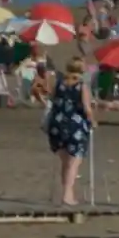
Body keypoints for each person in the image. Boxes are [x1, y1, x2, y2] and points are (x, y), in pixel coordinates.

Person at [46, 59, 95, 206]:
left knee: (66, 161)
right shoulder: (82, 86)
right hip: (75, 125)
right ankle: (67, 195)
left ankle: (68, 193)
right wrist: (93, 120)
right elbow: (87, 108)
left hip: (57, 123)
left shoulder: (59, 83)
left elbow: (52, 100)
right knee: (74, 162)